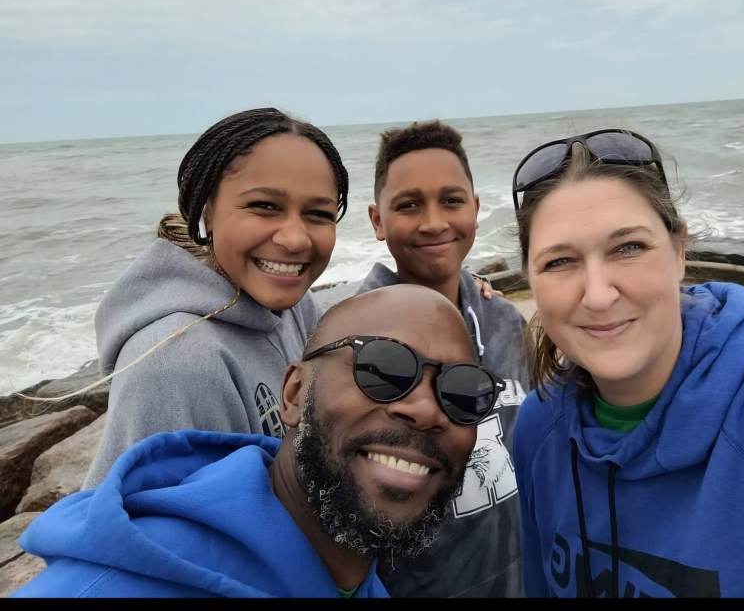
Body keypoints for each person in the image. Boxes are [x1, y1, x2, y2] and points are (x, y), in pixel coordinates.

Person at [510, 128, 744, 598]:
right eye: (559, 261)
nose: (598, 295)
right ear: (530, 277)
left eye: (628, 248)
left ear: (679, 250)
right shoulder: (538, 427)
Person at [11, 284, 504, 598]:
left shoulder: (351, 570)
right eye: (383, 369)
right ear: (293, 394)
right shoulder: (108, 587)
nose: (426, 410)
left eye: (463, 391)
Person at [72, 107, 350, 489]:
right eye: (264, 206)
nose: (295, 239)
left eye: (318, 213)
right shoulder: (176, 364)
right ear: (206, 211)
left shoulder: (295, 308)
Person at [356, 119, 530, 597]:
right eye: (408, 205)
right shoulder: (357, 342)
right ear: (377, 220)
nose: (434, 222)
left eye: (451, 201)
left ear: (475, 207)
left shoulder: (504, 321)